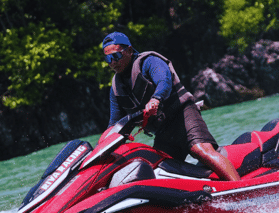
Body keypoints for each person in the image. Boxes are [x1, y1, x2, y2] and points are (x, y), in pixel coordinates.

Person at [101, 32, 240, 181]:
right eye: (108, 59)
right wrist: (102, 146)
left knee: (200, 150)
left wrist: (156, 98)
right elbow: (114, 123)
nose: (112, 63)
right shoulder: (116, 88)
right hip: (163, 131)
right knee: (158, 168)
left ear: (129, 50)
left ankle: (241, 188)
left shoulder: (149, 61)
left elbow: (164, 81)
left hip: (183, 115)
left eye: (116, 56)